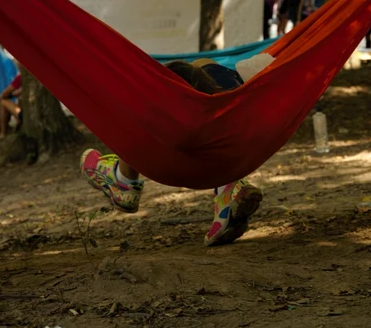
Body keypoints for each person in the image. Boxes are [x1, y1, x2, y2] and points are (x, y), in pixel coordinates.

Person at [80, 59, 263, 247]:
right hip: (231, 152)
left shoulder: (156, 127)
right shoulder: (230, 101)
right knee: (204, 66)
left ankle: (123, 180)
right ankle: (229, 192)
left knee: (138, 113)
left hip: (180, 161)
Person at [0, 72, 22, 139]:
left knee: (3, 102)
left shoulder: (21, 77)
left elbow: (6, 92)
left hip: (22, 113)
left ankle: (3, 133)